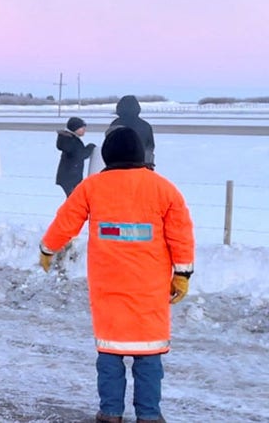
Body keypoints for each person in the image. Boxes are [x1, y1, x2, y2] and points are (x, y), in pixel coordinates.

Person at [39, 126, 194, 423]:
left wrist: (48, 249)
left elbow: (66, 221)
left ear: (107, 155)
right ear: (140, 154)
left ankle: (110, 413)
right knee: (148, 356)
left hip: (107, 286)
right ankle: (149, 414)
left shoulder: (92, 187)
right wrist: (183, 273)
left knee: (110, 355)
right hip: (150, 289)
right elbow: (181, 234)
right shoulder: (164, 188)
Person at [107, 95, 156, 168]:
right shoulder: (145, 126)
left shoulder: (115, 124)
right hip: (141, 165)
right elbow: (150, 147)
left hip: (118, 166)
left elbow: (108, 147)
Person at [56, 117, 96, 197]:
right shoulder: (72, 141)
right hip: (71, 177)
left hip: (69, 176)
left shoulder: (69, 139)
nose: (84, 130)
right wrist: (90, 147)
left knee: (73, 198)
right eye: (82, 128)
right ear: (75, 128)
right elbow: (81, 154)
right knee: (74, 199)